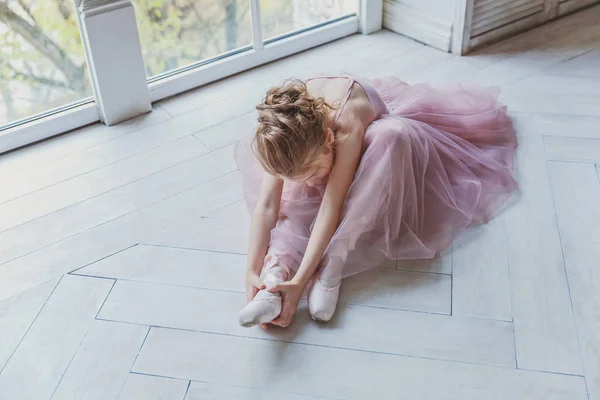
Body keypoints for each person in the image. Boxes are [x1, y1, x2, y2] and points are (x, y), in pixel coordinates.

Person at [235, 75, 518, 328]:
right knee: (298, 198)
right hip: (313, 147)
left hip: (376, 147)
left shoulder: (344, 126)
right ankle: (273, 277)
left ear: (329, 138)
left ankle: (333, 265)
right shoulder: (286, 140)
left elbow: (331, 207)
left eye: (312, 173)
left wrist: (301, 283)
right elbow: (269, 205)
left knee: (390, 139)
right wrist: (251, 270)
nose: (310, 182)